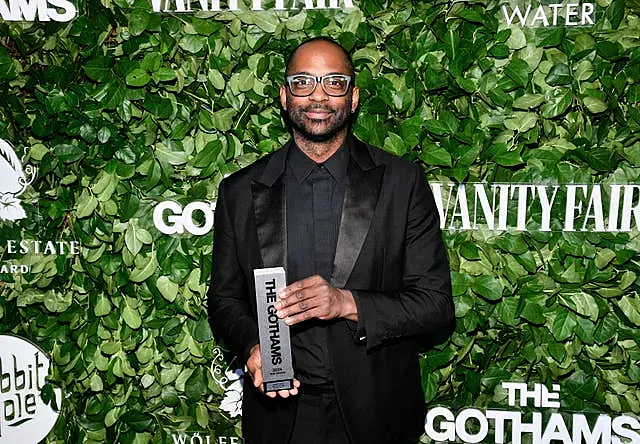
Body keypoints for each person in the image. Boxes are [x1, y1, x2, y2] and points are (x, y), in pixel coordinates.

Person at [207, 37, 454, 444]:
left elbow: (436, 305)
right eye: (303, 82)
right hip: (280, 416)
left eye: (334, 82)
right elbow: (223, 299)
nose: (318, 95)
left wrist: (346, 303)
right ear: (285, 97)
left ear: (353, 97)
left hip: (377, 414)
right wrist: (254, 345)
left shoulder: (402, 182)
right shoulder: (239, 191)